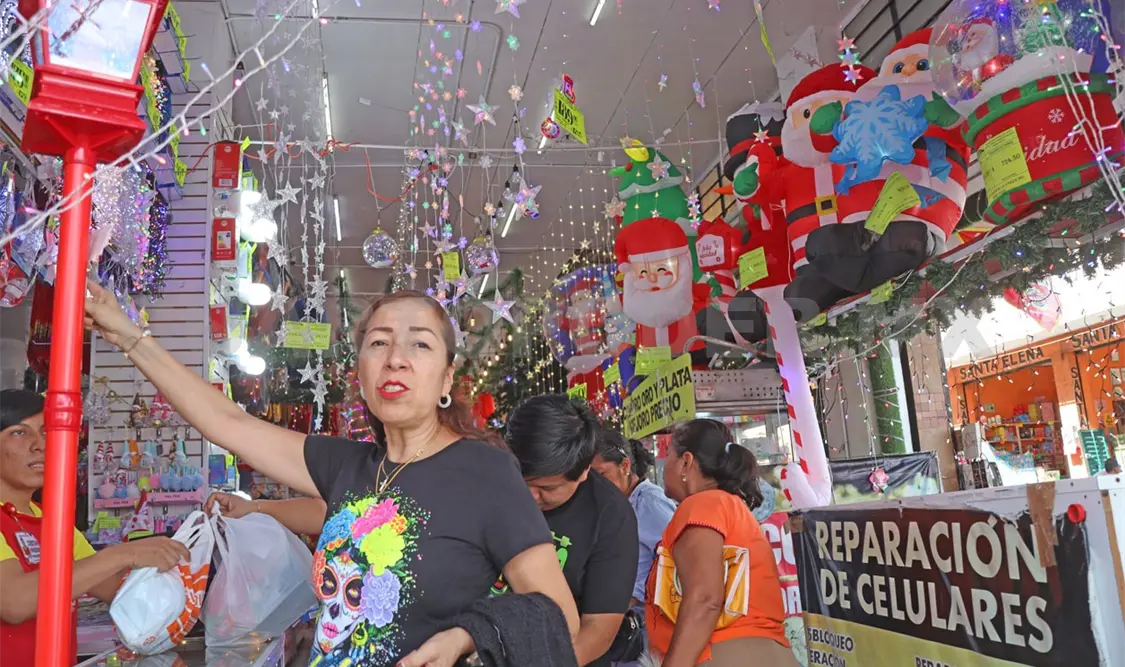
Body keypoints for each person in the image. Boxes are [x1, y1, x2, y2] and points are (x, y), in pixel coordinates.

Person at [85, 284, 578, 667]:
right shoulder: (347, 465)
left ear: (448, 377)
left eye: (420, 344)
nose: (396, 358)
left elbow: (558, 613)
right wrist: (129, 336)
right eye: (379, 342)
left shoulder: (485, 472)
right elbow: (228, 422)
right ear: (360, 373)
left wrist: (465, 636)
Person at [0, 389, 189, 666]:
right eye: (19, 432)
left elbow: (113, 588)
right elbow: (15, 602)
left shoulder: (51, 521)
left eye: (45, 432)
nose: (39, 445)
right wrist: (124, 554)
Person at [646, 419, 795, 667]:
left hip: (724, 653)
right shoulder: (726, 504)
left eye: (668, 455)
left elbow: (704, 600)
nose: (664, 466)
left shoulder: (701, 505)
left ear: (686, 462)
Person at [504, 396, 639, 667]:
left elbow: (599, 627)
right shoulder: (490, 479)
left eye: (547, 488)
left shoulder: (610, 514)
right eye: (523, 481)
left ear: (584, 470)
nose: (530, 496)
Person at [591, 431, 675, 659]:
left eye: (602, 474)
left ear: (625, 466)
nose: (596, 485)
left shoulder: (649, 502)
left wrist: (631, 597)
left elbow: (673, 559)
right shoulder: (618, 503)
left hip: (648, 621)